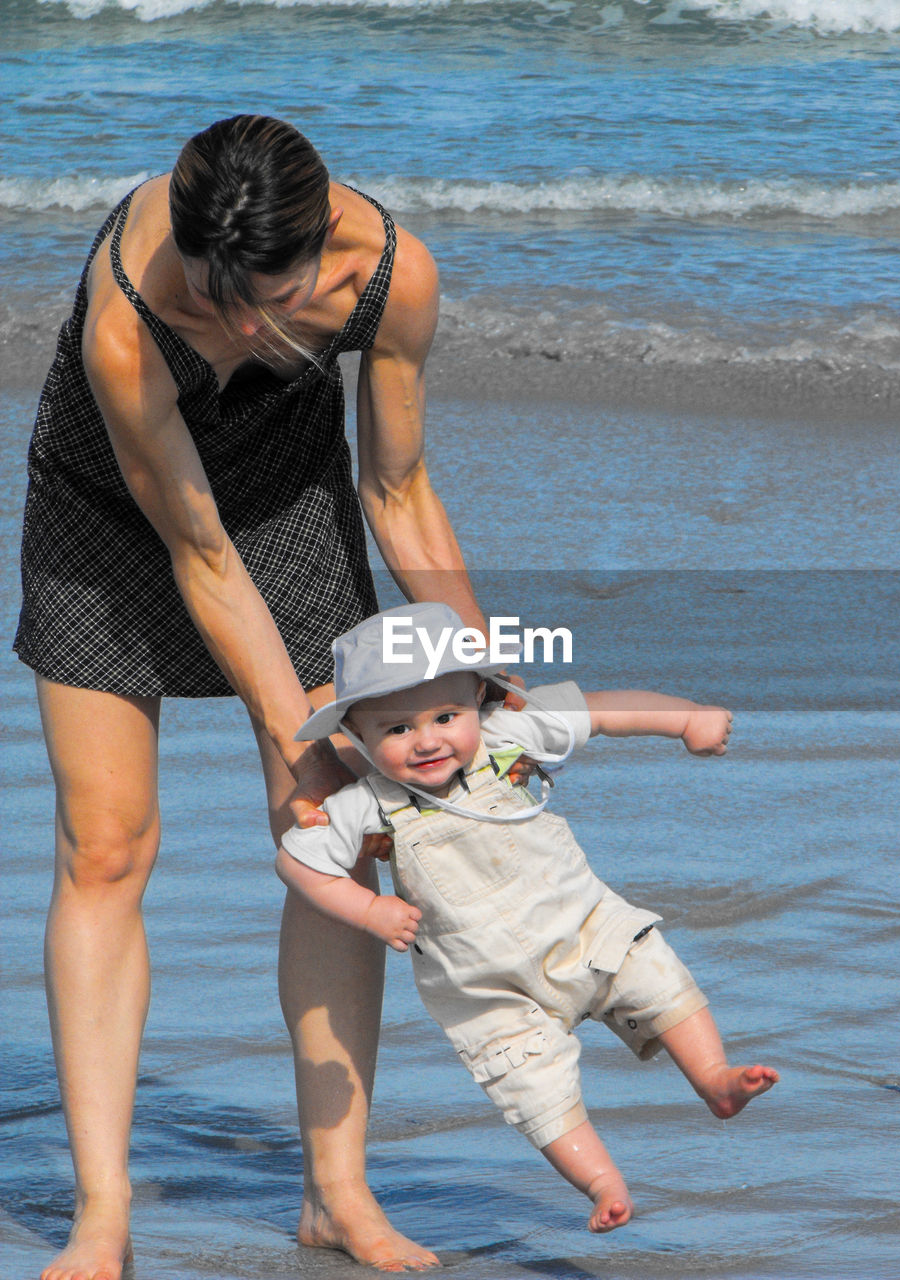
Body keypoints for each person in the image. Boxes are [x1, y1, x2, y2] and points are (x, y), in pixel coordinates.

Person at [15, 115, 491, 1278]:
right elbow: (197, 552)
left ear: (324, 243)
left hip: (286, 509)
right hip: (111, 522)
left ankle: (337, 1191)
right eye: (214, 295)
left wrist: (470, 665)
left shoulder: (390, 275)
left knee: (331, 840)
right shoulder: (130, 316)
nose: (236, 325)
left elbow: (399, 485)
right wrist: (305, 728)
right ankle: (101, 1211)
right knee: (105, 843)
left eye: (263, 299)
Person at [276, 603, 780, 1234]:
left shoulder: (508, 741)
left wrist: (684, 718)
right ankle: (602, 1184)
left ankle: (716, 1080)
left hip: (585, 930)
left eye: (445, 717)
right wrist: (369, 908)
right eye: (397, 729)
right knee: (531, 1087)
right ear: (356, 734)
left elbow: (598, 710)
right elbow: (299, 863)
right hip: (487, 989)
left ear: (480, 699)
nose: (427, 739)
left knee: (653, 974)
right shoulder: (368, 803)